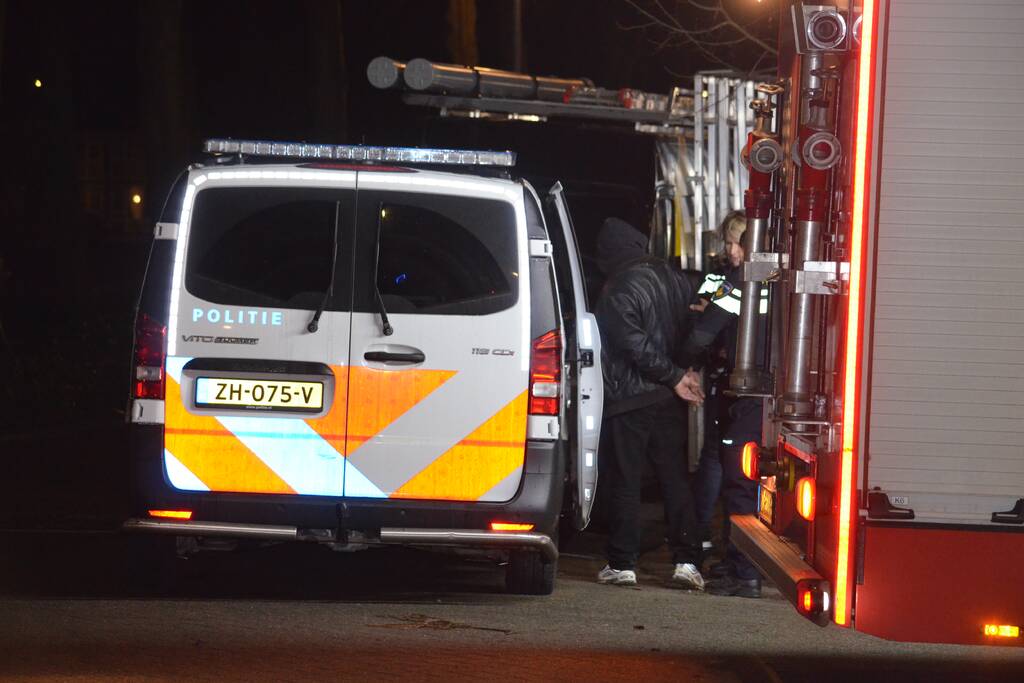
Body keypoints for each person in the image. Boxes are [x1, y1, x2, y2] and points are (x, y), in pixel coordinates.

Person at [593, 216, 706, 590]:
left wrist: (672, 376)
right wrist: (680, 374)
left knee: (626, 479)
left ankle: (622, 563)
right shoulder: (674, 278)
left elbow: (632, 344)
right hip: (668, 396)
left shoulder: (617, 287)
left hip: (631, 398)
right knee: (675, 477)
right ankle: (687, 560)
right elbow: (694, 329)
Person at [682, 209, 764, 598]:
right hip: (767, 396)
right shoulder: (774, 283)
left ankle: (744, 573)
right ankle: (739, 562)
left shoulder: (736, 284)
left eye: (735, 243)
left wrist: (681, 365)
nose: (730, 250)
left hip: (744, 396)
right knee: (746, 486)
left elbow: (702, 332)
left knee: (738, 486)